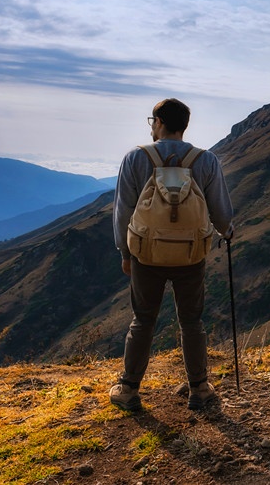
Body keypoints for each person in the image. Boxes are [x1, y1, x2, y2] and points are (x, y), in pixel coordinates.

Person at [111, 98, 234, 411]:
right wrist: (226, 232)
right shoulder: (205, 161)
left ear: (159, 122)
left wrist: (125, 252)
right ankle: (199, 388)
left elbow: (123, 212)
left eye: (151, 121)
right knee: (191, 321)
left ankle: (128, 389)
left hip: (146, 255)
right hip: (191, 255)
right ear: (184, 126)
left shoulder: (136, 158)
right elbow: (220, 212)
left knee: (143, 320)